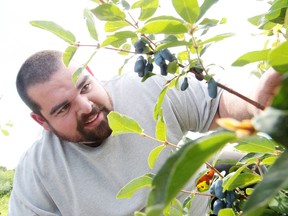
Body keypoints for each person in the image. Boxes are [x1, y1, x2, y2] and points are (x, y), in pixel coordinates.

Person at [8, 50, 281, 216]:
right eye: (63, 108)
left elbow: (220, 106)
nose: (86, 106)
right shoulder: (38, 171)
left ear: (91, 72)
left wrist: (255, 101)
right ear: (41, 121)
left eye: (84, 87)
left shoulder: (148, 90)